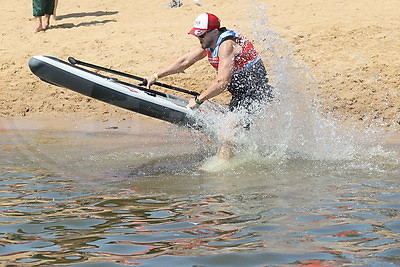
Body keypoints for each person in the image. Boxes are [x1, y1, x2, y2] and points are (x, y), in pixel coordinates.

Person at [145, 13, 273, 160]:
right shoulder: (209, 42)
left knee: (227, 132)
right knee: (209, 124)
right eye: (197, 35)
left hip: (256, 93)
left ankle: (221, 171)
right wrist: (155, 76)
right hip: (240, 95)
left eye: (202, 35)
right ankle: (232, 155)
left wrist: (199, 99)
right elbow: (184, 61)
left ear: (214, 31)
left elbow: (222, 82)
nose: (199, 39)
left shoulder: (227, 46)